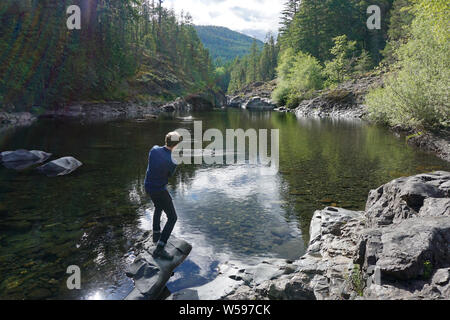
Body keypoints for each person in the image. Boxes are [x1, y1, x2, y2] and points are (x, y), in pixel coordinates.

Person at [144, 131, 183, 260]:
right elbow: (169, 175)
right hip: (159, 190)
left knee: (158, 207)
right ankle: (160, 248)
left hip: (148, 186)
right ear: (176, 145)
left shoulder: (154, 149)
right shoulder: (172, 161)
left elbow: (158, 158)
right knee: (172, 218)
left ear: (166, 140)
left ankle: (156, 234)